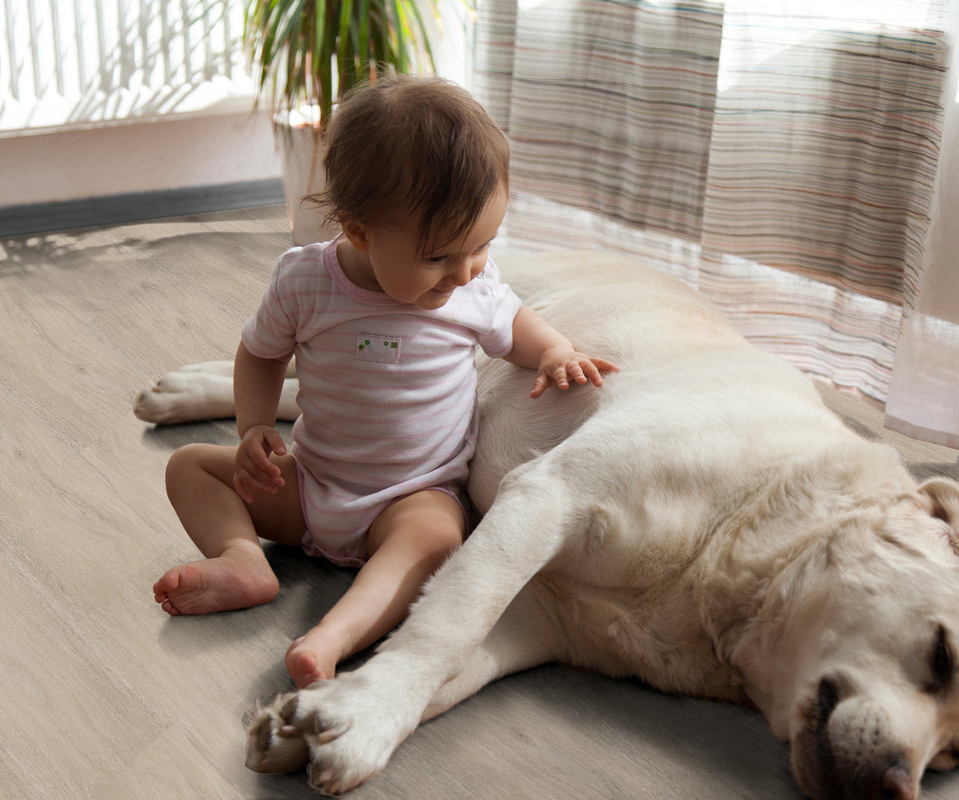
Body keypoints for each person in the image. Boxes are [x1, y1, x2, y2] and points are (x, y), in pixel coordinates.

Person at [152, 75, 618, 689]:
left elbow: (516, 324)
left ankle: (331, 637)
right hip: (310, 484)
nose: (465, 271)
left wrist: (556, 350)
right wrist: (255, 429)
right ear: (361, 231)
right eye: (440, 257)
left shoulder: (471, 290)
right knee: (189, 465)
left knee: (436, 539)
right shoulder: (302, 282)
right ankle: (242, 559)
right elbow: (259, 355)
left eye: (481, 246)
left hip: (411, 496)